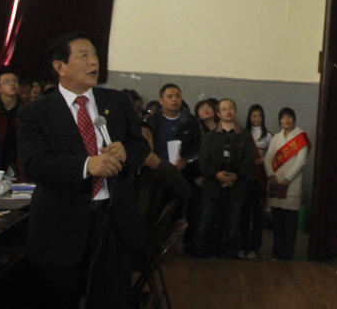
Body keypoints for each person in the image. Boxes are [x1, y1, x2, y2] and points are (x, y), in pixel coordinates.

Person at [18, 33, 147, 309]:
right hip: (61, 225)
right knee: (60, 297)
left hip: (113, 222)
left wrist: (126, 151)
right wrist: (87, 165)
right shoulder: (35, 112)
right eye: (84, 55)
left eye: (95, 54)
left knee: (111, 298)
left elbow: (140, 146)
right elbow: (34, 164)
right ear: (60, 67)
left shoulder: (117, 101)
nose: (93, 62)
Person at [195, 98, 253, 259]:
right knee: (207, 223)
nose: (228, 111)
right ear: (218, 114)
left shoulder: (245, 136)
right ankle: (202, 256)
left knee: (233, 226)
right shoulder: (209, 137)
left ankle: (230, 258)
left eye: (231, 108)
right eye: (224, 109)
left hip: (237, 187)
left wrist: (236, 175)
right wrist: (217, 175)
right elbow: (203, 162)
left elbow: (249, 161)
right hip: (212, 188)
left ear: (235, 111)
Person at [137, 122, 191, 262]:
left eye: (147, 136)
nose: (143, 141)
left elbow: (185, 192)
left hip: (146, 241)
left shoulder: (161, 168)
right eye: (138, 137)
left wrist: (159, 166)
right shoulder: (123, 168)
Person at [264, 107, 310, 261]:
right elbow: (268, 158)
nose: (286, 120)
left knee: (290, 222)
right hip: (276, 182)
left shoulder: (301, 136)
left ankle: (287, 255)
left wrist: (287, 179)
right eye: (283, 117)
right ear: (280, 120)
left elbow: (301, 161)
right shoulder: (277, 137)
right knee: (277, 221)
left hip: (292, 183)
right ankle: (276, 253)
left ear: (294, 119)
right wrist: (271, 176)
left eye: (289, 117)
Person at [240, 103, 271, 259]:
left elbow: (272, 157)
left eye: (259, 116)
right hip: (245, 178)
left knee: (258, 215)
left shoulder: (269, 136)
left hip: (261, 179)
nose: (256, 119)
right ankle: (242, 246)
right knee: (243, 214)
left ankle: (254, 248)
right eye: (253, 116)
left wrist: (262, 161)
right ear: (249, 117)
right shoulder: (243, 134)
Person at [0, 67, 22, 173]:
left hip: (19, 158)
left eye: (15, 81)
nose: (12, 84)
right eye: (7, 82)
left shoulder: (26, 109)